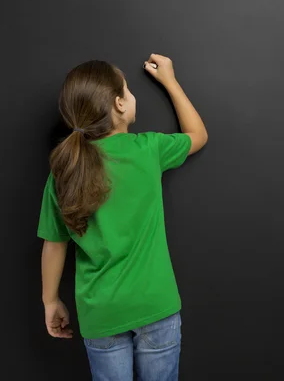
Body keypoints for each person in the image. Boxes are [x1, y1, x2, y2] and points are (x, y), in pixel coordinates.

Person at [37, 53, 208, 381]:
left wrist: (50, 301)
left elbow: (54, 245)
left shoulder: (64, 172)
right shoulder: (147, 149)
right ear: (119, 104)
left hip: (101, 314)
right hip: (154, 305)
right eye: (128, 91)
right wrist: (170, 80)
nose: (132, 97)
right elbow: (198, 135)